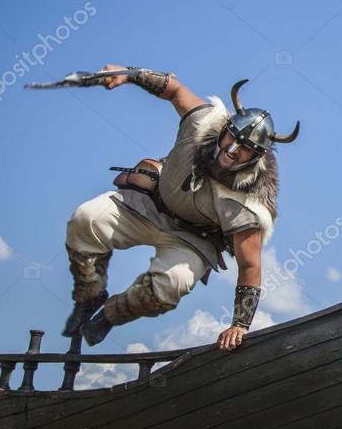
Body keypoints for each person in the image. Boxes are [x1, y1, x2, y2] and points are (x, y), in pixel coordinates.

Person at [62, 65, 299, 351]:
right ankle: (89, 295)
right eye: (232, 137)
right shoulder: (202, 121)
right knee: (86, 219)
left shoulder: (247, 204)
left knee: (171, 285)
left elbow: (250, 265)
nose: (233, 150)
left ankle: (109, 315)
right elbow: (174, 89)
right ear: (225, 128)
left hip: (192, 239)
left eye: (245, 148)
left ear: (257, 156)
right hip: (148, 204)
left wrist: (240, 324)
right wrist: (127, 74)